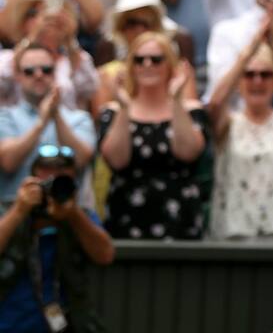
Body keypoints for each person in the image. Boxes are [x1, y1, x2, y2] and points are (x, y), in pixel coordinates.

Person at [207, 18, 273, 243]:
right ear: (239, 81)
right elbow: (215, 103)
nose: (257, 81)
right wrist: (248, 52)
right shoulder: (229, 123)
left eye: (266, 75)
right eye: (249, 75)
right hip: (233, 234)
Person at [98, 31, 207, 240]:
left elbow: (188, 152)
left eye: (156, 59)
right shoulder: (113, 110)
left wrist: (176, 100)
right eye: (139, 60)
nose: (147, 64)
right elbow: (116, 160)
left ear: (170, 65)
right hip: (126, 217)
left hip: (180, 219)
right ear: (131, 66)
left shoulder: (190, 109)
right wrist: (124, 106)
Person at [0, 146, 114, 333]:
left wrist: (73, 214)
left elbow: (105, 255)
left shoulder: (80, 214)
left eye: (61, 172)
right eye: (46, 170)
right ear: (33, 176)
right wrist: (20, 211)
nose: (52, 177)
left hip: (64, 324)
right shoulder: (8, 209)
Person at [0, 44, 94, 204]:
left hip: (67, 214)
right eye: (29, 71)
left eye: (46, 69)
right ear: (18, 75)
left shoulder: (79, 119)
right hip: (16, 215)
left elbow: (80, 160)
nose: (38, 75)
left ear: (56, 72)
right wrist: (41, 123)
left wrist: (55, 115)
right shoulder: (5, 117)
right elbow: (8, 162)